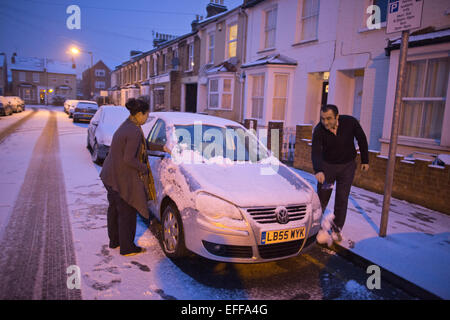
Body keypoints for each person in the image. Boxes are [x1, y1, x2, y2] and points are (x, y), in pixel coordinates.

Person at [100, 98, 156, 256]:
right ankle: (127, 248)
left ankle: (115, 241)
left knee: (115, 210)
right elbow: (129, 159)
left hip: (109, 174)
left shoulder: (126, 124)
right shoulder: (134, 131)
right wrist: (144, 168)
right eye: (146, 115)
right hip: (119, 177)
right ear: (139, 114)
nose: (146, 118)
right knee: (127, 213)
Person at [312, 104, 369, 243]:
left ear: (337, 117)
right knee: (322, 197)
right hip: (328, 169)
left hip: (347, 167)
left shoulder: (350, 122)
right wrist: (318, 170)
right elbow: (316, 151)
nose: (325, 122)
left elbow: (362, 139)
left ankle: (337, 229)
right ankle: (316, 228)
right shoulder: (319, 130)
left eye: (329, 118)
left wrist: (365, 160)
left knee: (342, 198)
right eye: (323, 118)